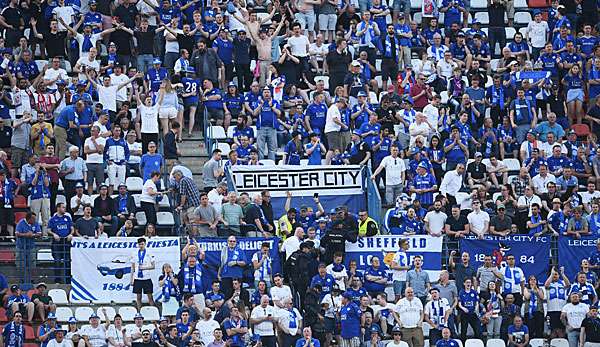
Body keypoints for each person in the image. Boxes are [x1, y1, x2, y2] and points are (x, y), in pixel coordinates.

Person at [130, 237, 155, 311]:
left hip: (146, 278)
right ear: (137, 245)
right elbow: (133, 267)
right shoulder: (134, 253)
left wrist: (144, 268)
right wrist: (131, 279)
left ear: (145, 244)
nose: (141, 245)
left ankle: (153, 313)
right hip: (138, 278)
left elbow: (153, 266)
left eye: (142, 244)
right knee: (138, 297)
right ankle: (139, 313)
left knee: (150, 297)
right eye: (140, 244)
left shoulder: (149, 253)